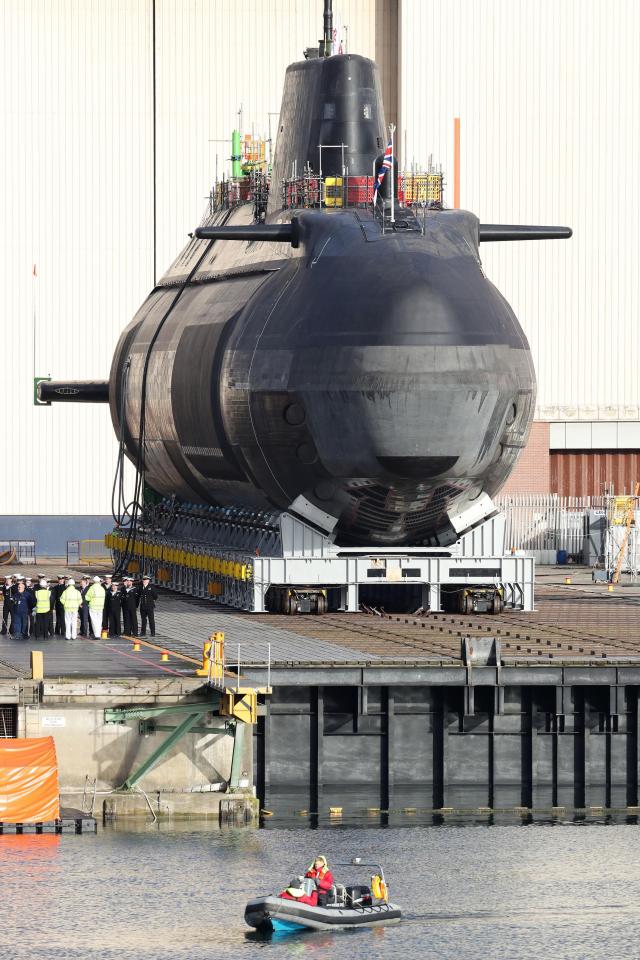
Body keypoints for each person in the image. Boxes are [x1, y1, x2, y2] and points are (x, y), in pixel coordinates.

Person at [85, 576, 106, 640]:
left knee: (94, 621)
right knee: (99, 621)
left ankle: (96, 635)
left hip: (93, 606)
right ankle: (98, 634)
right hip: (100, 607)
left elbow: (87, 597)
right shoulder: (102, 588)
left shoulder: (92, 588)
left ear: (94, 581)